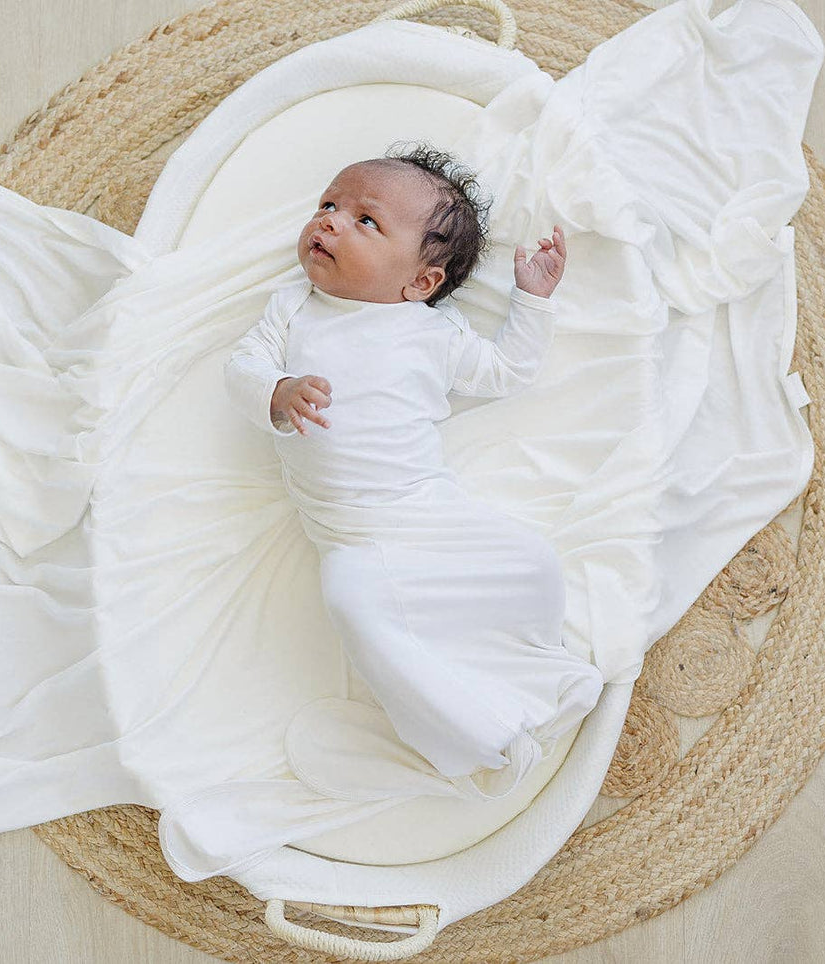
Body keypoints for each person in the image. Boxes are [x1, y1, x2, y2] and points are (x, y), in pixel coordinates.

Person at [223, 142, 605, 797]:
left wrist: (532, 300)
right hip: (353, 536)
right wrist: (277, 391)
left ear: (419, 283)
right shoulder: (294, 310)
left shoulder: (433, 332)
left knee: (530, 560)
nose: (331, 222)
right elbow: (242, 367)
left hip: (427, 510)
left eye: (365, 221)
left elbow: (505, 371)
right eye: (328, 205)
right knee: (351, 601)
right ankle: (473, 729)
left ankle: (532, 669)